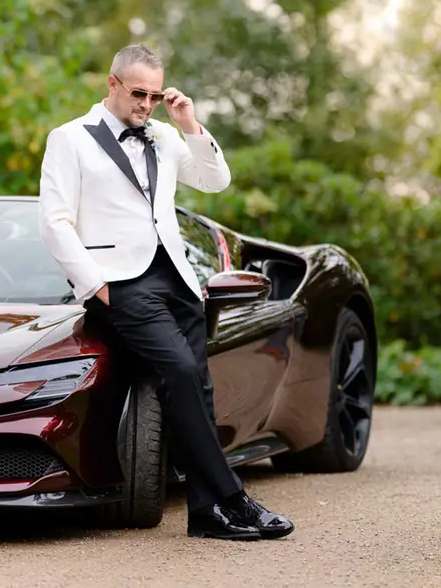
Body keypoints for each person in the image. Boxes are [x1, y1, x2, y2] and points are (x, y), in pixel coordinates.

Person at [38, 44, 294, 541]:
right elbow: (54, 223)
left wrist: (189, 123)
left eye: (155, 95)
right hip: (120, 283)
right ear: (111, 83)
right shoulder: (69, 139)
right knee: (176, 370)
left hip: (176, 280)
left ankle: (204, 514)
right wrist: (98, 287)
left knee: (195, 385)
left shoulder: (162, 134)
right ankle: (234, 498)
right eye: (139, 94)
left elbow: (215, 179)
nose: (147, 105)